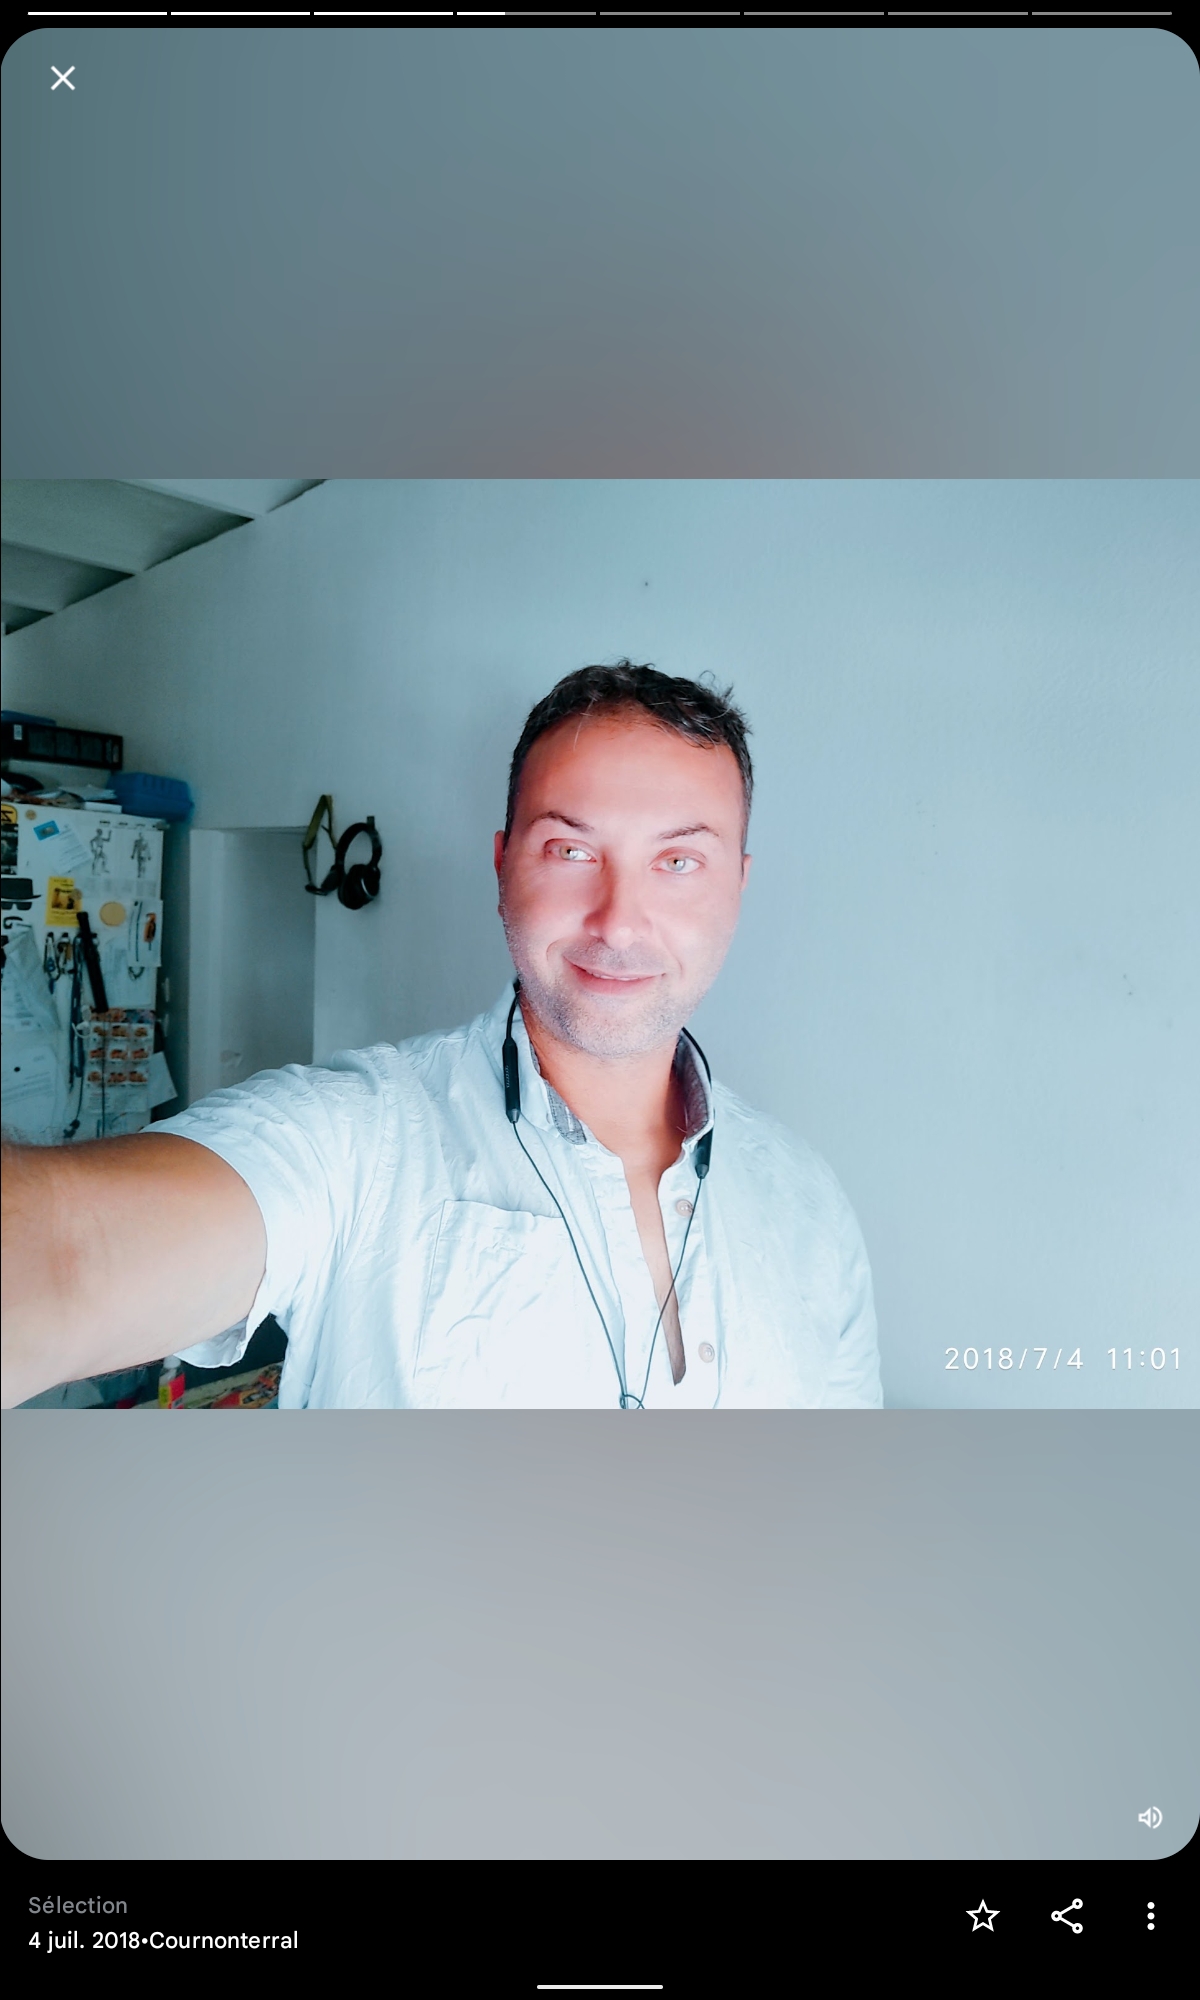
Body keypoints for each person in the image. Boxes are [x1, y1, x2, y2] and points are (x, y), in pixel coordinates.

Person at [2, 663, 882, 1411]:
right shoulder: (355, 1140)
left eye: (678, 861)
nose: (618, 921)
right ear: (502, 867)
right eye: (570, 851)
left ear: (738, 884)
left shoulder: (810, 1206)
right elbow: (66, 1262)